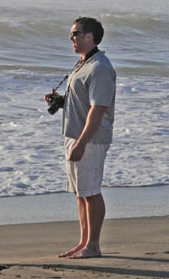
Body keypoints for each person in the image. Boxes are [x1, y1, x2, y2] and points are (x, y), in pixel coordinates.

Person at [44, 17, 116, 259]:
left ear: (90, 36)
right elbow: (83, 102)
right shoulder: (83, 63)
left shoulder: (101, 68)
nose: (71, 38)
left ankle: (93, 245)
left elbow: (98, 109)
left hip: (90, 139)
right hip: (74, 135)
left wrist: (82, 143)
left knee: (91, 191)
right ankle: (84, 241)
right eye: (71, 34)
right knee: (80, 192)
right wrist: (62, 102)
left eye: (76, 33)